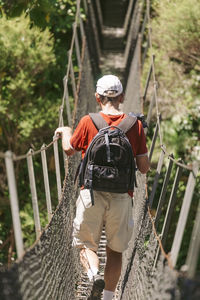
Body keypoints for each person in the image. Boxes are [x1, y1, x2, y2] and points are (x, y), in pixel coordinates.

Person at [55, 75, 149, 300]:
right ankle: (108, 297)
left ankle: (93, 274)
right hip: (122, 196)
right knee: (115, 251)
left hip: (91, 193)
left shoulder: (88, 121)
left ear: (97, 97)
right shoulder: (134, 124)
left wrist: (65, 131)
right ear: (122, 97)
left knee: (86, 245)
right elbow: (143, 168)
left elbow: (69, 149)